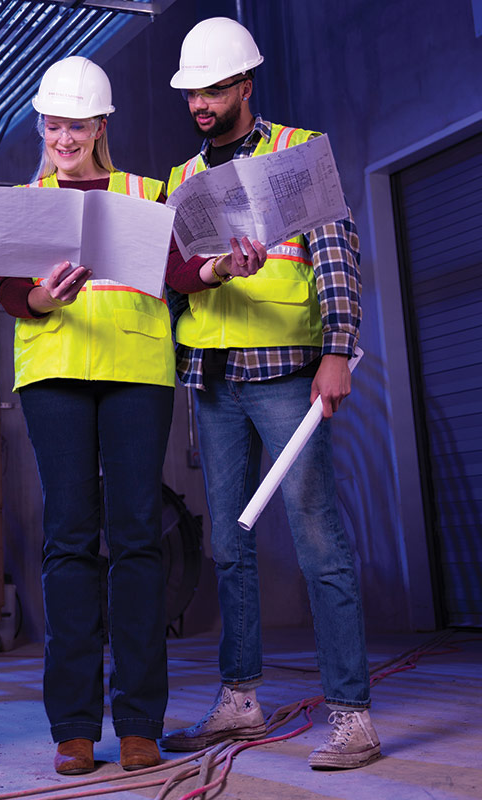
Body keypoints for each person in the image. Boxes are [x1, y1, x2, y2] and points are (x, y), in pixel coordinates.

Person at [160, 18, 380, 770]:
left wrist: (339, 350)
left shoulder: (294, 152)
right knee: (228, 546)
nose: (201, 103)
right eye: (193, 91)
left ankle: (352, 715)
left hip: (290, 368)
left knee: (320, 540)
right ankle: (241, 699)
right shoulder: (181, 178)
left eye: (215, 88)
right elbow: (174, 276)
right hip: (215, 380)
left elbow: (336, 254)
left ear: (245, 85)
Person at [0, 56, 174, 776]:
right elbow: (10, 293)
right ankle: (73, 725)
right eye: (53, 123)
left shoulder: (145, 192)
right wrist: (44, 299)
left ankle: (138, 721)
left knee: (136, 537)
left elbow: (183, 270)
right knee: (69, 537)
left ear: (102, 125)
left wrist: (222, 267)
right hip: (55, 375)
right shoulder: (27, 197)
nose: (63, 137)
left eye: (77, 124)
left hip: (135, 371)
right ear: (42, 124)